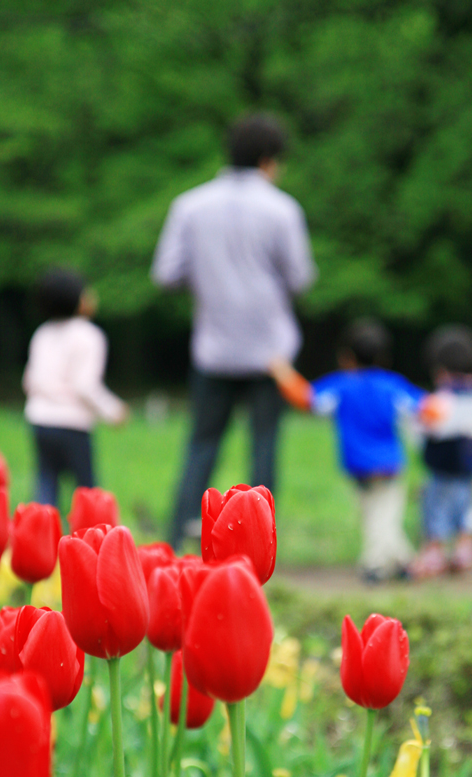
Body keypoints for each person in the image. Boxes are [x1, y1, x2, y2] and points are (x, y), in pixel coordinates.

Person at [151, 113, 316, 549]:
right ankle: (260, 546)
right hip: (271, 352)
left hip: (214, 347)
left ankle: (180, 535)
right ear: (268, 160)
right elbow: (300, 278)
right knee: (263, 447)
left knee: (201, 445)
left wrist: (209, 280)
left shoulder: (190, 205)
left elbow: (166, 274)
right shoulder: (282, 209)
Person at [270, 318, 425, 581]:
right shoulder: (392, 385)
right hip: (389, 464)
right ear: (384, 357)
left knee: (375, 514)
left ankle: (390, 563)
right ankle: (388, 563)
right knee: (383, 514)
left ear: (346, 357)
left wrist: (281, 370)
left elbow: (306, 399)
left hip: (357, 465)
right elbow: (423, 408)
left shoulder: (341, 386)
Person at [22, 268, 128, 507]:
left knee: (46, 481)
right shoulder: (89, 336)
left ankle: (40, 534)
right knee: (86, 490)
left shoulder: (42, 333)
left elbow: (29, 380)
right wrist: (113, 410)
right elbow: (85, 386)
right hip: (73, 424)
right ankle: (88, 538)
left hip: (40, 420)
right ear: (78, 300)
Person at [413, 325, 472, 577]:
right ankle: (465, 554)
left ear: (439, 369)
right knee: (465, 512)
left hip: (440, 469)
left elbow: (422, 430)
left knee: (435, 512)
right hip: (468, 468)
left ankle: (434, 555)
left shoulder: (440, 399)